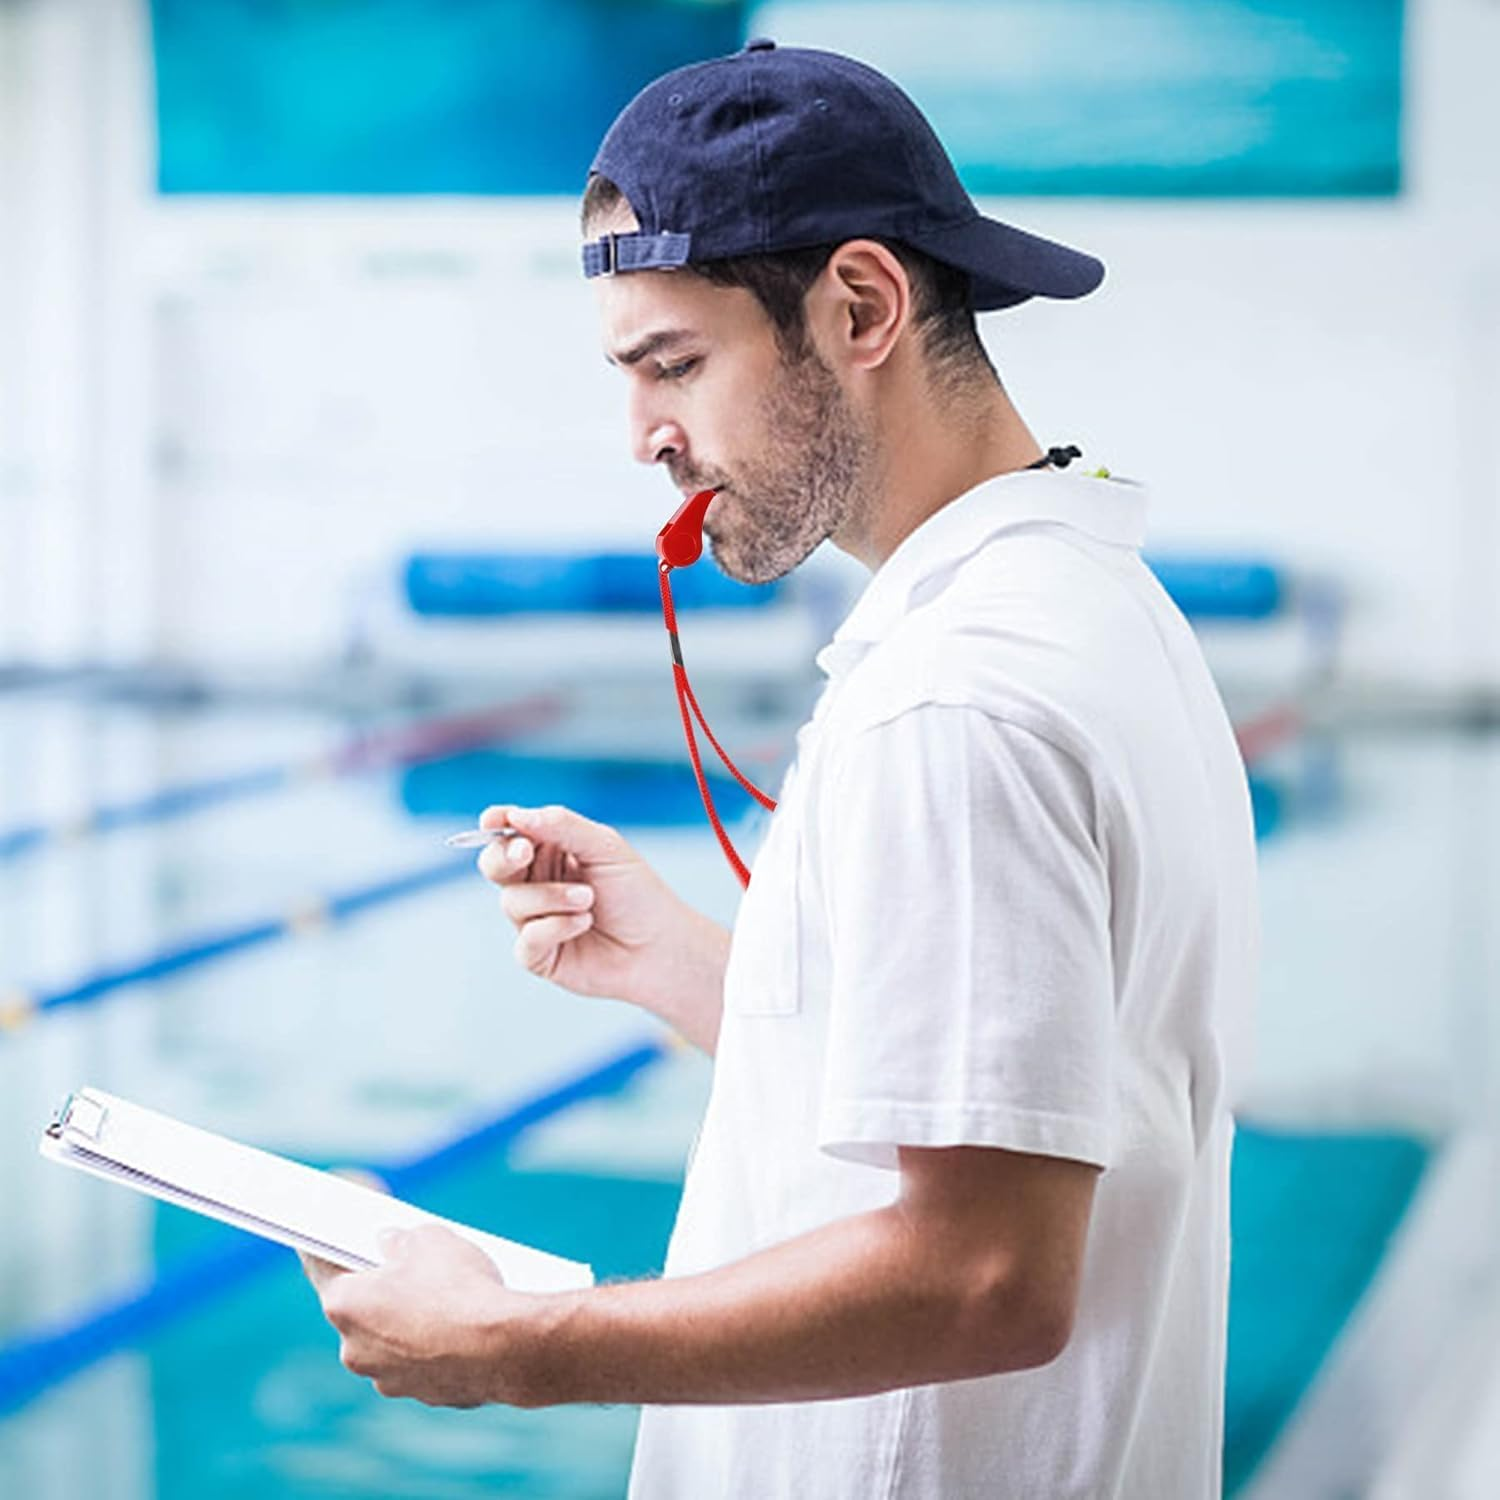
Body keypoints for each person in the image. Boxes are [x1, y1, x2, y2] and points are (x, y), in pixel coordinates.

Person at [303, 40, 1259, 1499]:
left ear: (861, 306)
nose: (646, 438)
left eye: (675, 365)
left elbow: (985, 1273)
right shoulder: (1087, 605)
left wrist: (518, 1344)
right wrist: (701, 969)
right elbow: (1029, 1091)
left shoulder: (952, 702)